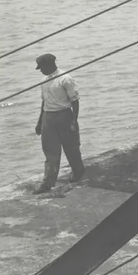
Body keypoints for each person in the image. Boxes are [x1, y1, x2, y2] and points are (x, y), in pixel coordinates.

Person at [33, 53, 84, 192]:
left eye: (42, 67)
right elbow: (44, 102)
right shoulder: (43, 81)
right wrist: (39, 123)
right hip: (48, 117)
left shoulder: (65, 79)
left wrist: (74, 121)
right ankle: (48, 183)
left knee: (71, 148)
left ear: (50, 64)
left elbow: (75, 101)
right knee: (50, 151)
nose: (41, 70)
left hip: (64, 115)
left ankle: (78, 173)